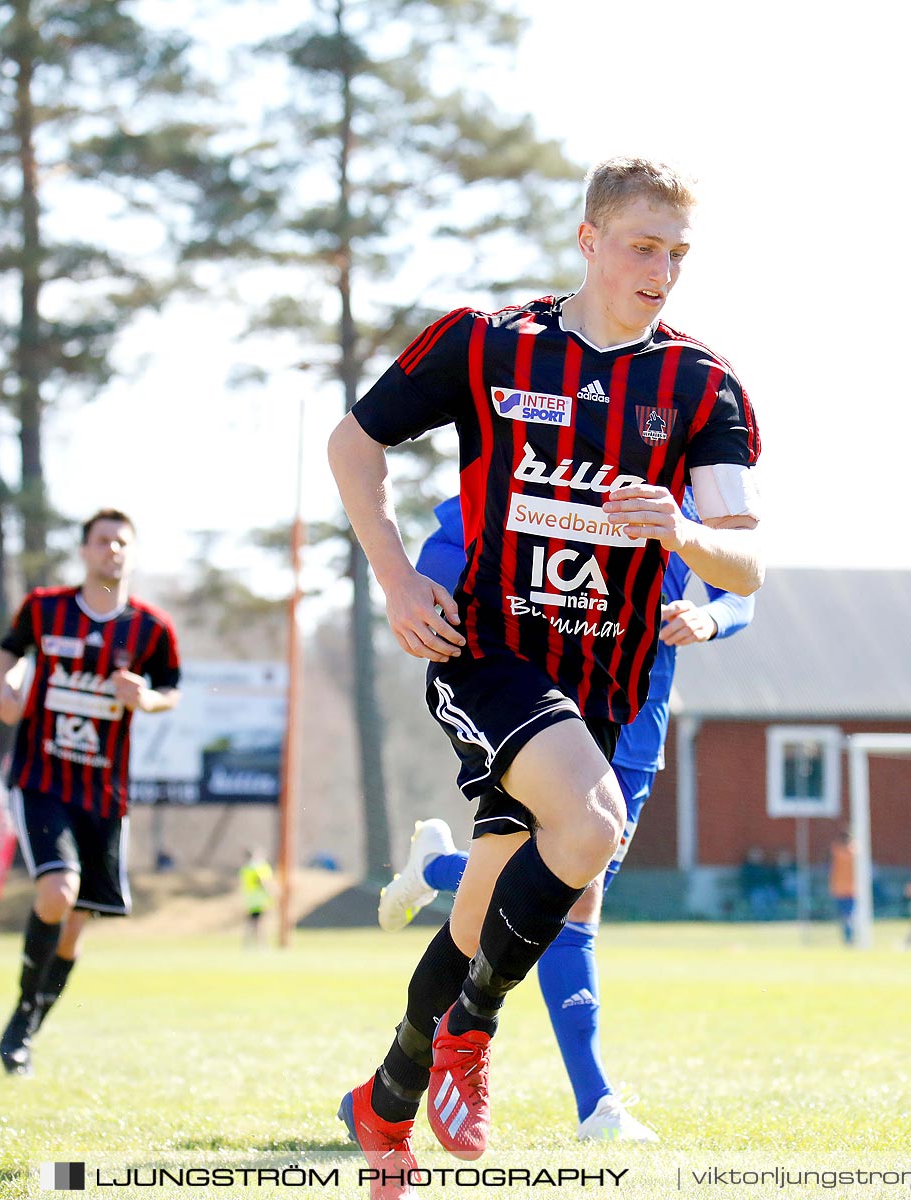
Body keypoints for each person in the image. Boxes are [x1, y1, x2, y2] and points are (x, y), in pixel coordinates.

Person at [325, 156, 762, 1196]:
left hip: (606, 685)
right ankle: (471, 1034)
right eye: (642, 247)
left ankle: (387, 1094)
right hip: (485, 650)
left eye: (678, 254)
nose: (662, 271)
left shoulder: (702, 386)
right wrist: (393, 579)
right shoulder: (487, 343)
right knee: (595, 828)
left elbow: (747, 564)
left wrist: (688, 534)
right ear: (590, 239)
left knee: (486, 911)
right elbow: (354, 445)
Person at [376, 493, 753, 1141]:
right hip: (547, 714)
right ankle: (596, 1104)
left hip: (637, 724)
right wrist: (429, 594)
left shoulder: (688, 492)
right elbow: (456, 530)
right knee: (576, 897)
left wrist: (709, 617)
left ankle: (436, 869)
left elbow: (742, 588)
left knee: (566, 881)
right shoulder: (548, 455)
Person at [0, 508, 182, 1076]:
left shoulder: (151, 628)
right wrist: (6, 685)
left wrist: (144, 697)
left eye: (123, 542)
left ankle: (28, 1023)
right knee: (57, 891)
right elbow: (9, 649)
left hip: (103, 793)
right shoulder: (45, 608)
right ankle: (20, 1020)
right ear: (84, 550)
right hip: (43, 778)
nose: (113, 550)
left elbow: (170, 690)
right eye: (103, 541)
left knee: (76, 924)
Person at [242, 847, 276, 948]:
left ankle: (248, 944)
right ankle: (261, 945)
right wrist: (269, 894)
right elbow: (261, 882)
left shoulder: (246, 868)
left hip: (251, 898)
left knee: (251, 922)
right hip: (259, 899)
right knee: (259, 923)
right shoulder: (257, 868)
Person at [829, 830, 857, 945]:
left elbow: (834, 847)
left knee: (845, 915)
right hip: (850, 889)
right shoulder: (853, 852)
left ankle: (848, 937)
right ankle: (849, 937)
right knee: (849, 915)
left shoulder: (838, 851)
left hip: (841, 889)